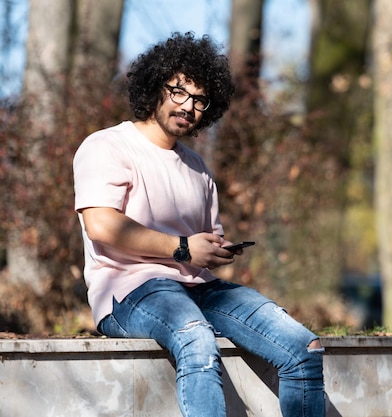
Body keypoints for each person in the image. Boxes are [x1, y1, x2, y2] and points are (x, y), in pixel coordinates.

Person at [73, 32, 326, 417]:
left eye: (199, 100)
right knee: (195, 337)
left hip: (199, 289)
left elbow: (201, 243)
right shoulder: (107, 146)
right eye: (179, 91)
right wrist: (184, 248)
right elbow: (102, 226)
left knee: (303, 347)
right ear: (155, 88)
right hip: (129, 291)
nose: (188, 106)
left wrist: (213, 251)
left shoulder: (197, 168)